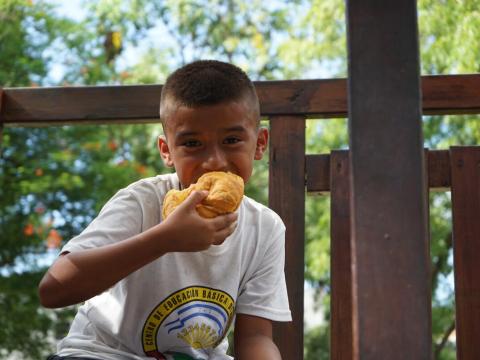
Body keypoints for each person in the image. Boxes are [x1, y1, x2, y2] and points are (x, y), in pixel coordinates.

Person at [39, 60, 291, 360]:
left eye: (232, 140)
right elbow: (53, 290)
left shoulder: (266, 228)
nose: (214, 161)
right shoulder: (143, 201)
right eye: (193, 143)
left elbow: (256, 337)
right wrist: (164, 239)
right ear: (166, 150)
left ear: (260, 143)